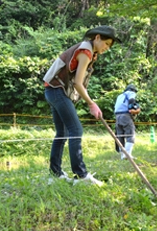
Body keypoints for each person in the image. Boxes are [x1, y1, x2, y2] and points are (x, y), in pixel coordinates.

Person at [43, 25, 121, 186]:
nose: (107, 48)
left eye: (109, 46)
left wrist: (91, 102)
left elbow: (78, 83)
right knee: (75, 130)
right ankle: (81, 176)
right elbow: (78, 84)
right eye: (106, 43)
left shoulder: (89, 51)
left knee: (62, 132)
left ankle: (55, 173)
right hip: (56, 90)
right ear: (97, 38)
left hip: (52, 90)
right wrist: (92, 104)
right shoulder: (85, 52)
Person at [114, 84, 141, 159]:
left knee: (120, 135)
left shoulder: (120, 96)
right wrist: (132, 108)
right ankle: (127, 155)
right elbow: (131, 100)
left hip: (117, 116)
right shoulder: (130, 93)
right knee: (130, 135)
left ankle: (122, 155)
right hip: (125, 115)